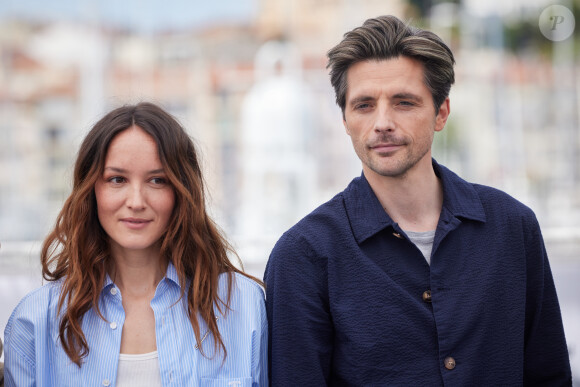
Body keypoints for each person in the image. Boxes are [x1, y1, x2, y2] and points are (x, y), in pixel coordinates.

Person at [264, 15, 572, 386]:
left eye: (403, 102)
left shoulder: (513, 227)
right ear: (344, 119)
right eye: (363, 105)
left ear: (441, 113)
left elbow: (549, 374)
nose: (382, 123)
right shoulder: (303, 256)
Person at [4, 102, 268, 386]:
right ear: (91, 190)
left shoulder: (244, 306)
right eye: (117, 179)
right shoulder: (35, 321)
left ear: (182, 191)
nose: (136, 202)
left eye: (157, 180)